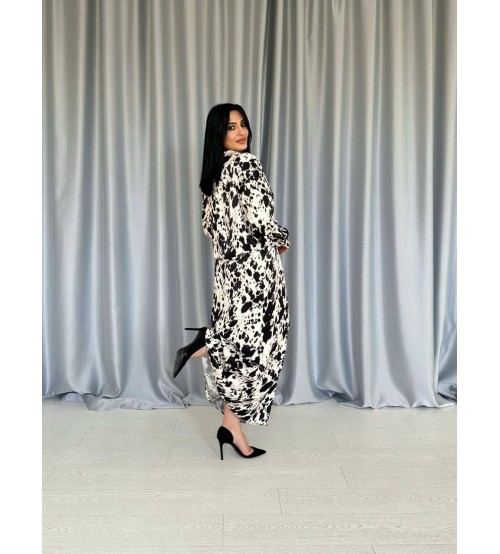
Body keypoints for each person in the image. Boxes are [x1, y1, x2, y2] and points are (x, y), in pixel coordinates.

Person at [173, 103, 290, 460]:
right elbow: (260, 216)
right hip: (255, 270)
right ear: (218, 134)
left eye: (243, 124)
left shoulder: (214, 173)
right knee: (261, 345)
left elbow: (210, 226)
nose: (241, 133)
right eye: (231, 127)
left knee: (242, 350)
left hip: (227, 272)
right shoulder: (246, 164)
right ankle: (208, 342)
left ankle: (231, 428)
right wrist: (280, 238)